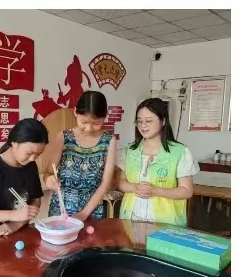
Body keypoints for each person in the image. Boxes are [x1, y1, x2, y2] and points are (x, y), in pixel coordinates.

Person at [116, 98, 198, 227]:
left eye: (148, 121)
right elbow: (120, 182)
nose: (143, 125)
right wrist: (134, 188)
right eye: (139, 121)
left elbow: (186, 191)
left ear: (163, 121)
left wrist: (155, 190)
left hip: (166, 222)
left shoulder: (180, 152)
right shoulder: (129, 151)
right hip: (130, 218)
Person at [42, 91, 116, 220]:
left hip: (92, 209)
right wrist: (49, 179)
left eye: (96, 123)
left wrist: (84, 213)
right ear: (75, 112)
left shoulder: (109, 140)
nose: (89, 128)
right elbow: (49, 172)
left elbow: (105, 183)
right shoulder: (64, 137)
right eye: (84, 122)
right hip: (61, 209)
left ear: (105, 117)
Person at [0, 119, 48, 238]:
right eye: (29, 153)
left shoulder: (31, 166)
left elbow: (35, 200)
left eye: (38, 154)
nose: (33, 158)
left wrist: (16, 224)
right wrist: (13, 215)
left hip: (20, 232)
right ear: (14, 142)